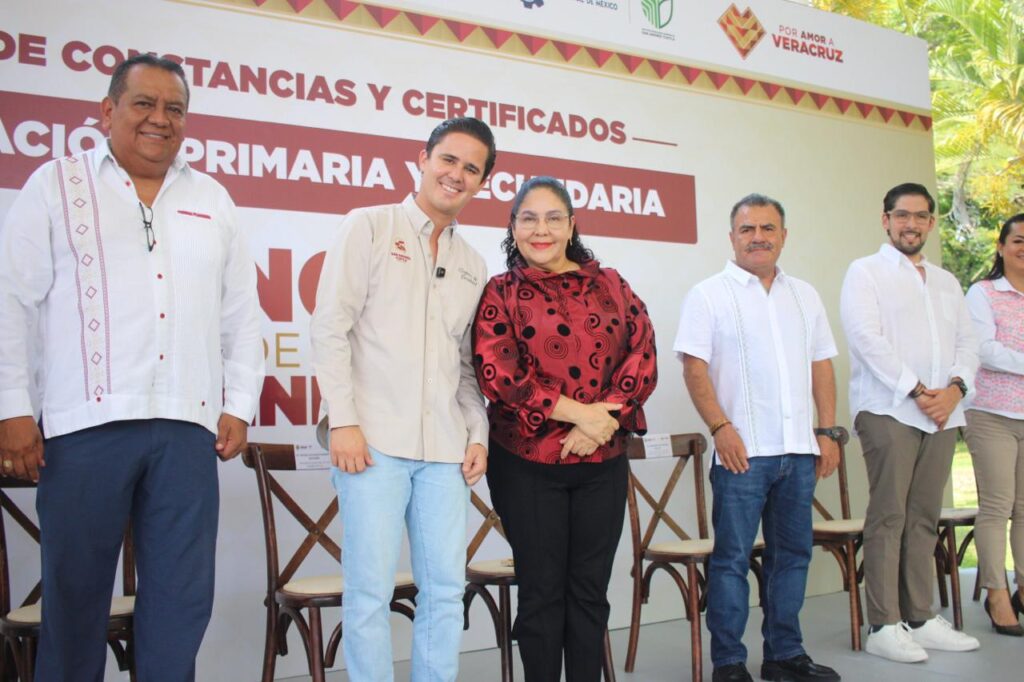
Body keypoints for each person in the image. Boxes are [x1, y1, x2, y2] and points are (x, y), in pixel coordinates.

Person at [0, 55, 264, 681]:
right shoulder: (55, 184)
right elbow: (12, 301)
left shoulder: (212, 198)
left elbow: (240, 312)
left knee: (181, 600)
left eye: (175, 108)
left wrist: (239, 404)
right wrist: (12, 408)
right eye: (144, 103)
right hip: (84, 427)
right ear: (107, 111)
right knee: (74, 600)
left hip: (188, 429)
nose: (159, 119)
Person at [310, 117, 495, 681]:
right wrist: (343, 421)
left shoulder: (474, 264)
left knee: (446, 590)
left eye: (471, 169)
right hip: (372, 444)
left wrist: (478, 433)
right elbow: (330, 328)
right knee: (369, 591)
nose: (456, 174)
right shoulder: (368, 226)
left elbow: (465, 367)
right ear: (422, 159)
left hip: (445, 451)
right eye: (448, 160)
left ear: (482, 182)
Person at [472, 176, 657, 681]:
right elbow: (499, 373)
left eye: (554, 218)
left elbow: (642, 353)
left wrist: (602, 423)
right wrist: (582, 414)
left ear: (571, 225)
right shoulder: (501, 292)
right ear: (513, 226)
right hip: (527, 465)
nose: (542, 230)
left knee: (590, 593)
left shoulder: (611, 284)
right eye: (529, 218)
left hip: (602, 463)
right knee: (541, 593)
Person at [676, 194, 841, 682]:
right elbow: (694, 368)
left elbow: (821, 365)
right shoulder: (708, 295)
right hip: (742, 454)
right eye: (747, 229)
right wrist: (720, 428)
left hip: (799, 451)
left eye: (768, 228)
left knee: (792, 557)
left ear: (783, 236)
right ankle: (728, 662)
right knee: (731, 560)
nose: (758, 237)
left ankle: (784, 655)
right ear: (732, 237)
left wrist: (827, 430)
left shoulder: (805, 295)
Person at [840, 182, 981, 662]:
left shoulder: (946, 282)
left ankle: (919, 616)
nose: (911, 224)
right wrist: (919, 391)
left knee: (924, 516)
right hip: (889, 408)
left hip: (943, 412)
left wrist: (955, 390)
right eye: (902, 215)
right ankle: (883, 625)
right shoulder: (865, 272)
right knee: (890, 516)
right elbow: (866, 339)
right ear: (886, 220)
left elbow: (968, 343)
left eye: (921, 216)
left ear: (932, 223)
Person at [963, 213, 1024, 636]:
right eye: (1018, 240)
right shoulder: (983, 293)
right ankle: (996, 593)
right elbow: (983, 349)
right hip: (991, 413)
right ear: (1001, 247)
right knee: (998, 506)